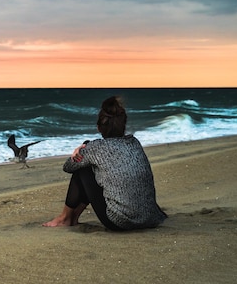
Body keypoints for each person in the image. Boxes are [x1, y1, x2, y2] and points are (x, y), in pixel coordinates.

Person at [43, 96, 166, 231]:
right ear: (123, 125)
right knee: (90, 166)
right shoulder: (134, 142)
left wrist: (79, 150)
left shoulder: (95, 148)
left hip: (121, 222)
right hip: (150, 218)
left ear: (98, 128)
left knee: (83, 168)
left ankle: (65, 218)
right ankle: (72, 217)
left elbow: (68, 167)